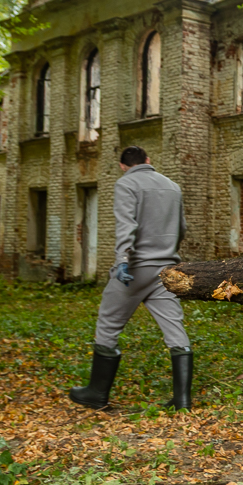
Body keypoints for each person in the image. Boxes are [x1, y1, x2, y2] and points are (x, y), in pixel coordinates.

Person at [69, 145, 193, 411]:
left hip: (136, 269)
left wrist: (122, 261)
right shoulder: (172, 186)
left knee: (108, 322)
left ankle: (96, 394)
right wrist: (169, 255)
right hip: (166, 270)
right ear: (148, 160)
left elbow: (127, 225)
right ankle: (182, 400)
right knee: (174, 329)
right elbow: (181, 228)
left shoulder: (126, 183)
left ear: (123, 166)